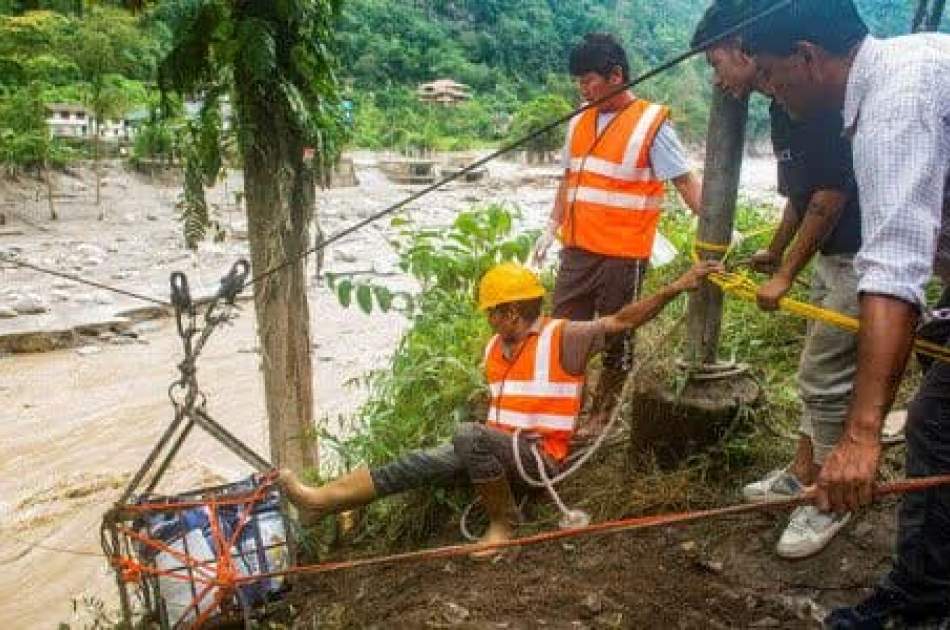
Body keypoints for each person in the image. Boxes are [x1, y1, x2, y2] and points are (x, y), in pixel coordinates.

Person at [278, 260, 721, 559]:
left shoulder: (563, 336)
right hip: (495, 454)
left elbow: (623, 321)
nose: (489, 319)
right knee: (417, 463)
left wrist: (677, 286)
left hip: (538, 460)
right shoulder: (495, 348)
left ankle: (504, 524)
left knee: (468, 434)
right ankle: (322, 502)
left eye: (492, 312)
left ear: (511, 312)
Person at [740, 1, 950, 626]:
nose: (772, 92)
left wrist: (860, 438)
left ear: (807, 56)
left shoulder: (895, 103)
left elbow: (892, 267)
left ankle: (919, 604)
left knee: (936, 426)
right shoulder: (907, 72)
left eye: (773, 75)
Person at [691, 1, 863, 560]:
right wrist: (774, 250)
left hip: (861, 255)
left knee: (825, 375)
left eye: (717, 63)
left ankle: (830, 496)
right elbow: (800, 196)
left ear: (745, 51)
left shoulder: (815, 95)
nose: (717, 78)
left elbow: (833, 193)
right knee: (819, 373)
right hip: (831, 255)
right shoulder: (783, 105)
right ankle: (802, 471)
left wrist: (785, 274)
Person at [530, 32, 704, 438]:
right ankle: (565, 407)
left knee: (617, 336)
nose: (583, 89)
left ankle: (602, 414)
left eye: (589, 81)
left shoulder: (650, 123)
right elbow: (568, 180)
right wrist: (550, 227)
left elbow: (685, 182)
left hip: (623, 254)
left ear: (616, 76)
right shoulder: (578, 120)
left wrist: (716, 230)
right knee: (563, 330)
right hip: (576, 250)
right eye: (579, 82)